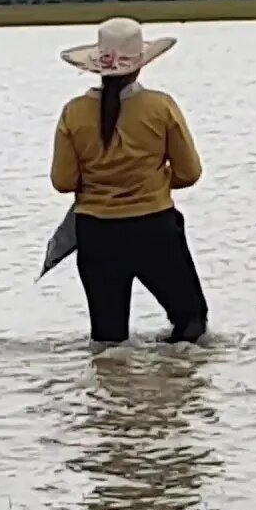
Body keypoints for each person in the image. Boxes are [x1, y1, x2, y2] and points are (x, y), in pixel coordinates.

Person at [50, 17, 209, 345]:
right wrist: (155, 181)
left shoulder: (74, 112)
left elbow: (63, 181)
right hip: (155, 227)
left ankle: (111, 395)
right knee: (190, 322)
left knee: (108, 338)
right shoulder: (160, 107)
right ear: (140, 65)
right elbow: (189, 173)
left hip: (96, 232)